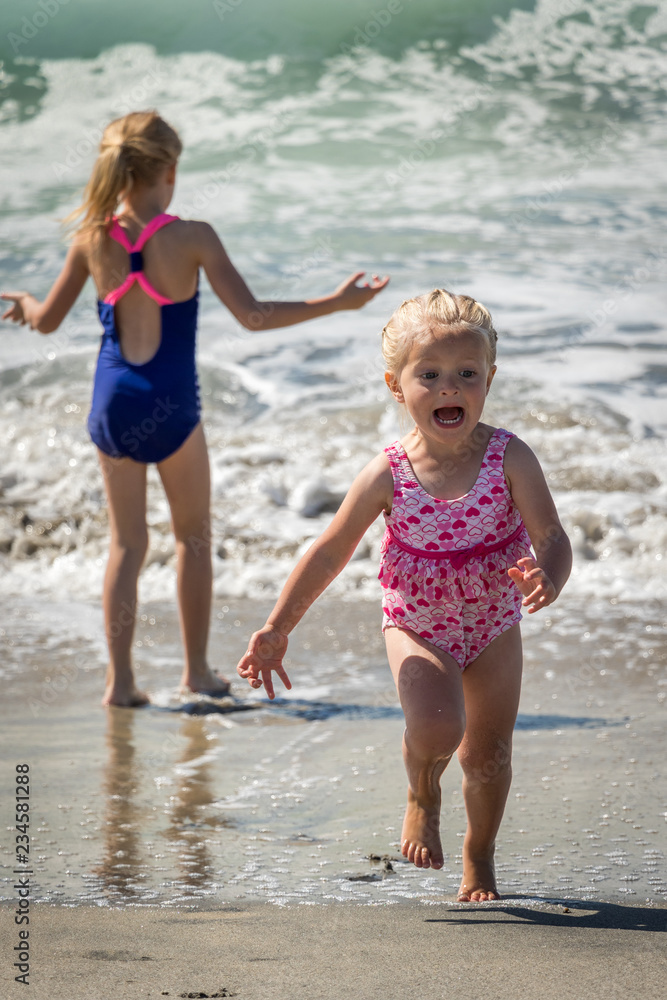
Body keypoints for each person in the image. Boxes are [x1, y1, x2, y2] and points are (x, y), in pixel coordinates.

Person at [1, 110, 388, 709]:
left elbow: (46, 320)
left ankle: (120, 684)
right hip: (171, 403)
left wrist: (25, 302)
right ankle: (197, 673)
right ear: (171, 171)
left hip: (112, 404)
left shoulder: (91, 238)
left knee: (126, 545)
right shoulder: (193, 237)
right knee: (193, 540)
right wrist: (335, 304)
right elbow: (254, 316)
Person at [237, 288, 572, 902]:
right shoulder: (388, 471)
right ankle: (422, 792)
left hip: (495, 618)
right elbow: (330, 549)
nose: (450, 388)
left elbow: (552, 535)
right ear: (397, 385)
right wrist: (279, 626)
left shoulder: (510, 457)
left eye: (467, 374)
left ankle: (479, 856)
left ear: (489, 380)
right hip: (416, 620)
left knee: (490, 754)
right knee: (438, 726)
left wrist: (548, 575)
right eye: (431, 375)